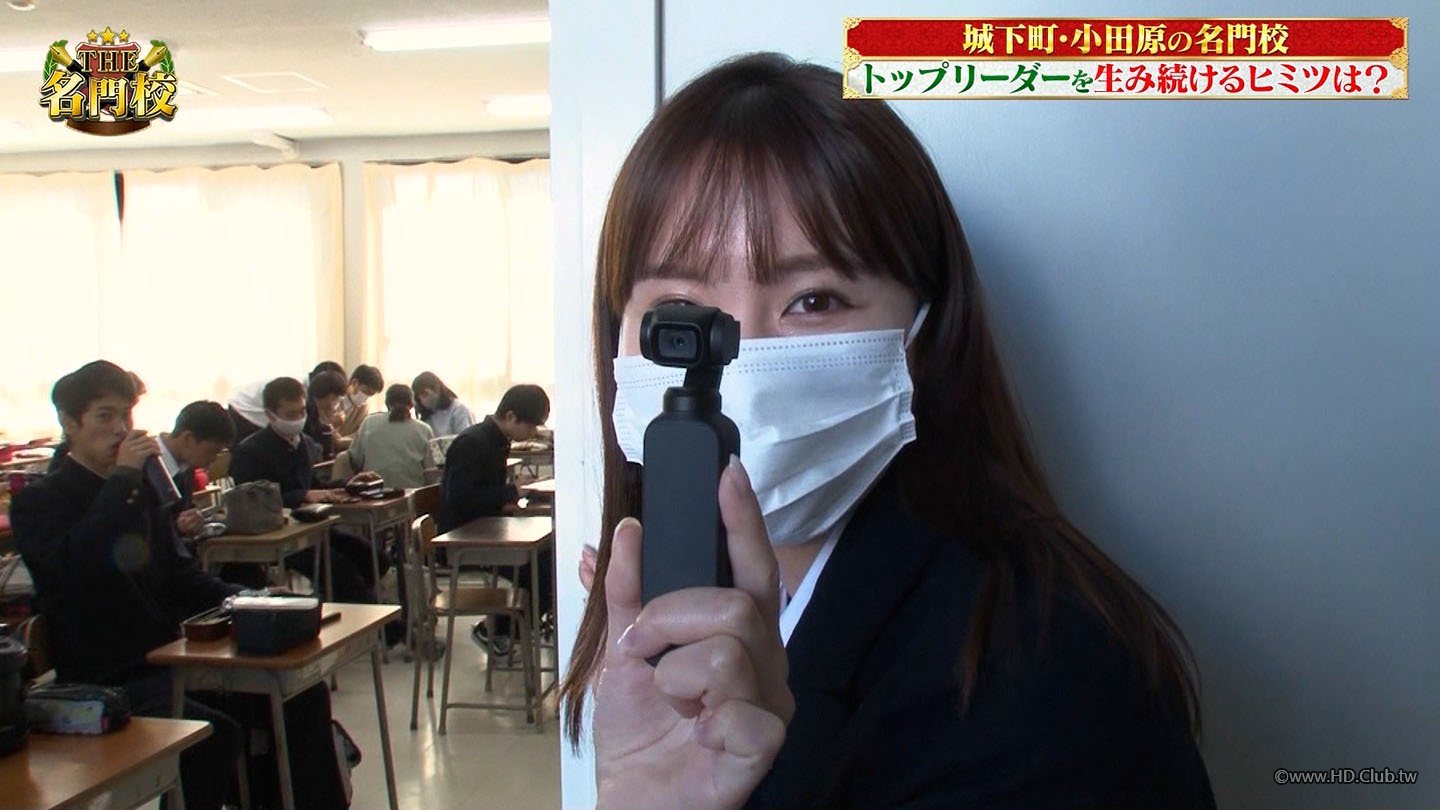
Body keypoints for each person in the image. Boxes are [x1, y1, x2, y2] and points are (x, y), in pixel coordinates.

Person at [561, 54, 1215, 810]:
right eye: (681, 310)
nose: (741, 355)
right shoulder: (665, 635)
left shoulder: (1048, 676)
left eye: (814, 300)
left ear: (925, 338)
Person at [9, 361, 350, 810]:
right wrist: (124, 480)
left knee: (299, 696)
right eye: (104, 416)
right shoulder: (41, 502)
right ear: (70, 423)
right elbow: (82, 566)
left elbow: (177, 574)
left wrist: (249, 599)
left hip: (172, 657)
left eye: (126, 415)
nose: (120, 429)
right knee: (214, 735)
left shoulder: (138, 491)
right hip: (108, 676)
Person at [229, 377, 389, 612]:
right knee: (342, 571)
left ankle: (352, 609)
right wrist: (302, 495)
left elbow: (315, 486)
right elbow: (253, 502)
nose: (298, 419)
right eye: (290, 414)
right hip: (282, 535)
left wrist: (347, 485)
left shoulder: (304, 443)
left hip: (314, 528)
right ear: (270, 414)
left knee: (374, 558)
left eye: (302, 411)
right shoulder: (250, 452)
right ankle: (367, 620)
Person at [436, 384, 550, 657]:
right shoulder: (472, 442)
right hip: (463, 538)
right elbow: (460, 498)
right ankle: (498, 630)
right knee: (541, 569)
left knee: (548, 558)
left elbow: (486, 493)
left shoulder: (496, 440)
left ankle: (510, 629)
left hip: (488, 529)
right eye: (530, 426)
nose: (533, 433)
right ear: (510, 416)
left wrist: (513, 495)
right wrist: (511, 492)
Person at [156, 400, 234, 537]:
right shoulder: (146, 465)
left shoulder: (187, 465)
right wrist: (177, 527)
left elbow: (183, 512)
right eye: (212, 451)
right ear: (188, 439)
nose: (213, 459)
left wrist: (195, 518)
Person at [348, 384, 435, 490]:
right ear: (412, 404)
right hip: (411, 494)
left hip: (373, 493)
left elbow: (355, 459)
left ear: (387, 403)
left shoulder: (369, 422)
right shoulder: (424, 430)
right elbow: (432, 471)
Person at [332, 364, 385, 450]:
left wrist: (343, 441)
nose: (366, 397)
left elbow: (360, 434)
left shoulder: (364, 407)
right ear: (354, 383)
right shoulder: (334, 399)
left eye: (370, 395)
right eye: (365, 392)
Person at [411, 371, 474, 437]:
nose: (423, 400)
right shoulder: (427, 415)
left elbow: (465, 439)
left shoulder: (459, 410)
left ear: (437, 389)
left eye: (425, 394)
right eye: (419, 398)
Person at [304, 369, 349, 461]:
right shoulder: (307, 414)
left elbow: (336, 441)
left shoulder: (322, 412)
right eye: (336, 398)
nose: (337, 402)